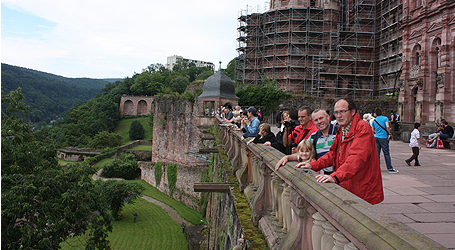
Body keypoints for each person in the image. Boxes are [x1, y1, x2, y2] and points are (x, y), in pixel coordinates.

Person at [295, 99, 384, 205]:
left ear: (352, 112)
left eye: (342, 111)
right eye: (336, 112)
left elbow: (357, 158)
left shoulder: (362, 128)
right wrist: (312, 165)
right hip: (349, 184)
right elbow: (333, 154)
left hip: (362, 187)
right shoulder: (343, 129)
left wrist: (335, 176)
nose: (339, 115)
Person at [275, 109, 338, 175]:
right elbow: (302, 153)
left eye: (321, 118)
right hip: (326, 174)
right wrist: (287, 157)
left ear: (327, 117)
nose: (319, 122)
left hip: (341, 173)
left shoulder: (339, 132)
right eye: (316, 120)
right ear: (313, 121)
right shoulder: (314, 137)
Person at [372, 107, 399, 173]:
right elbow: (387, 126)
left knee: (377, 154)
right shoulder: (385, 118)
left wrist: (376, 132)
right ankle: (389, 168)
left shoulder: (374, 120)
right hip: (383, 137)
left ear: (376, 114)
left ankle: (377, 168)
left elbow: (373, 129)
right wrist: (389, 133)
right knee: (386, 153)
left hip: (376, 137)